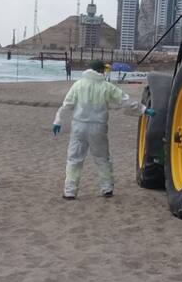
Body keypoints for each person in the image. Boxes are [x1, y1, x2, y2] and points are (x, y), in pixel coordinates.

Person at [52, 59, 152, 200]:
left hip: (79, 127)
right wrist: (144, 110)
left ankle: (70, 191)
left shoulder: (78, 85)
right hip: (98, 127)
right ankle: (107, 188)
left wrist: (58, 121)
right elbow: (124, 100)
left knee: (74, 159)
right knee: (102, 158)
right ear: (100, 71)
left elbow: (66, 105)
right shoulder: (106, 86)